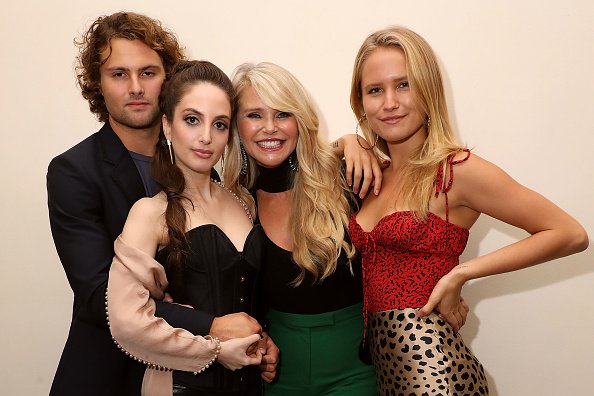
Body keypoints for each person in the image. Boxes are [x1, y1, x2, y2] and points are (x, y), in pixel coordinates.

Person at [347, 26, 589, 395]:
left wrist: (458, 276)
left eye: (404, 85)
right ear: (360, 101)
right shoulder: (374, 173)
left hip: (437, 375)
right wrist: (347, 141)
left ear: (429, 89)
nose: (390, 103)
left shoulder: (456, 170)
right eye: (375, 90)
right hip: (388, 376)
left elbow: (569, 233)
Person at [47, 12, 276, 396]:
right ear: (98, 84)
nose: (136, 87)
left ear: (167, 81)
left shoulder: (209, 173)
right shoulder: (74, 171)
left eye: (149, 73)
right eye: (119, 73)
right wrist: (213, 326)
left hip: (210, 376)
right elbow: (99, 296)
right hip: (109, 374)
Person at [107, 59, 269, 396]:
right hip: (181, 385)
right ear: (167, 126)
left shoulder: (244, 202)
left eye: (220, 124)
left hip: (249, 387)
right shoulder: (150, 213)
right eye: (192, 120)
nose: (206, 137)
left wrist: (264, 340)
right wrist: (215, 351)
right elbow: (126, 323)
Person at [223, 62, 377, 395]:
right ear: (235, 125)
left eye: (282, 114)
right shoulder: (231, 201)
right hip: (274, 373)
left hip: (356, 367)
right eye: (254, 115)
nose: (269, 128)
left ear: (300, 120)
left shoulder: (347, 176)